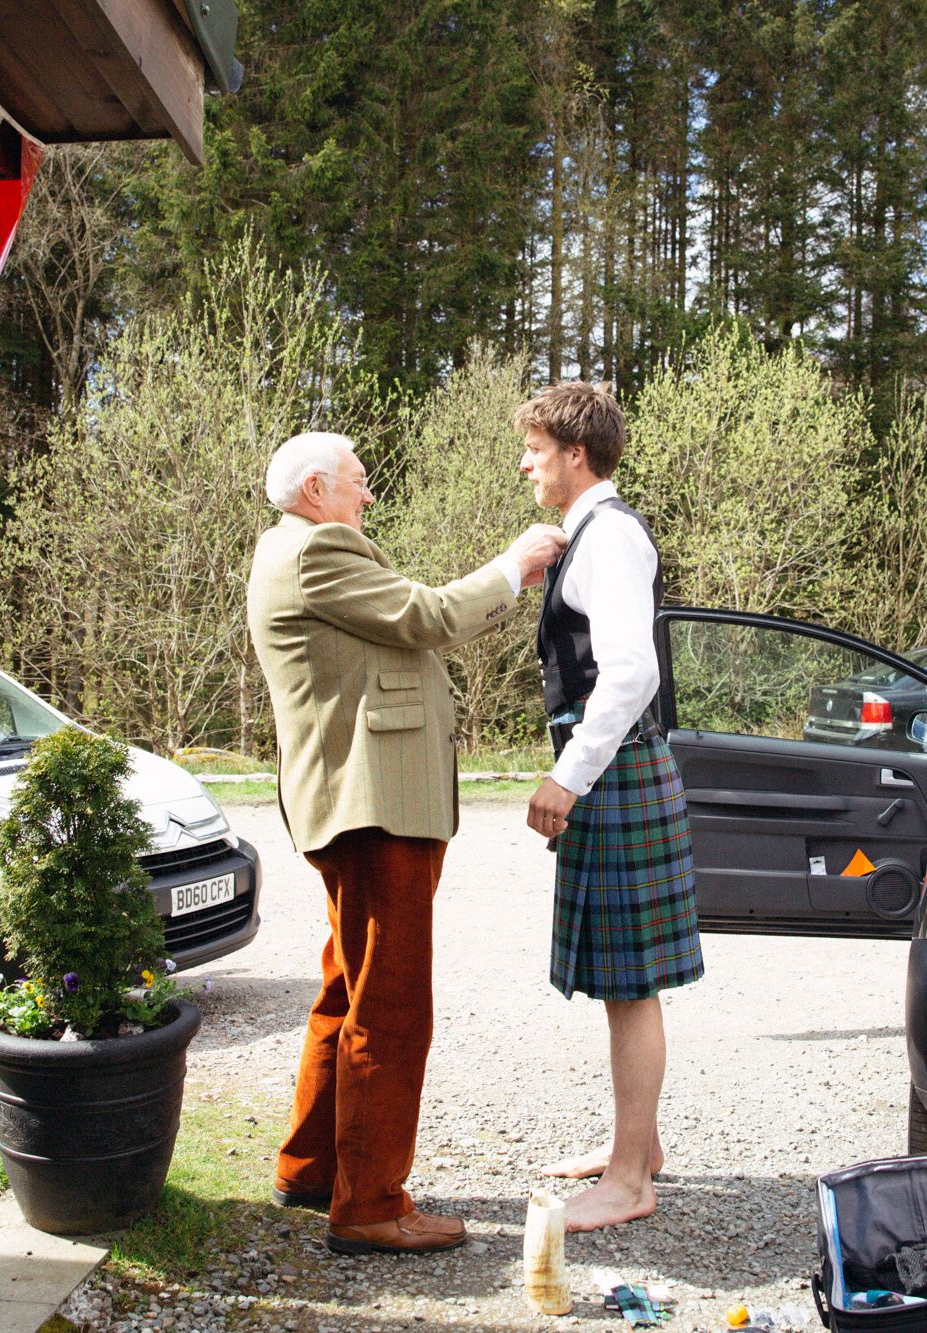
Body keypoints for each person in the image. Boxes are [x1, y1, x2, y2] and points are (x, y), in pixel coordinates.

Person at [246, 430, 565, 1256]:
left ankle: (312, 1165)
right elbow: (428, 616)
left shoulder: (298, 547)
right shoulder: (316, 551)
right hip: (373, 807)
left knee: (348, 985)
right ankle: (371, 1204)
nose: (369, 495)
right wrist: (514, 565)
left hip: (366, 804)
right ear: (316, 488)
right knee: (389, 1005)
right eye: (358, 481)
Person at [518, 382, 704, 1232]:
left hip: (615, 768)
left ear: (575, 454)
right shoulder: (586, 536)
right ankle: (641, 1144)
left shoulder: (612, 538)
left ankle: (631, 1178)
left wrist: (570, 775)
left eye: (535, 449)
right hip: (613, 770)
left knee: (631, 985)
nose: (526, 463)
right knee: (619, 981)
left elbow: (632, 673)